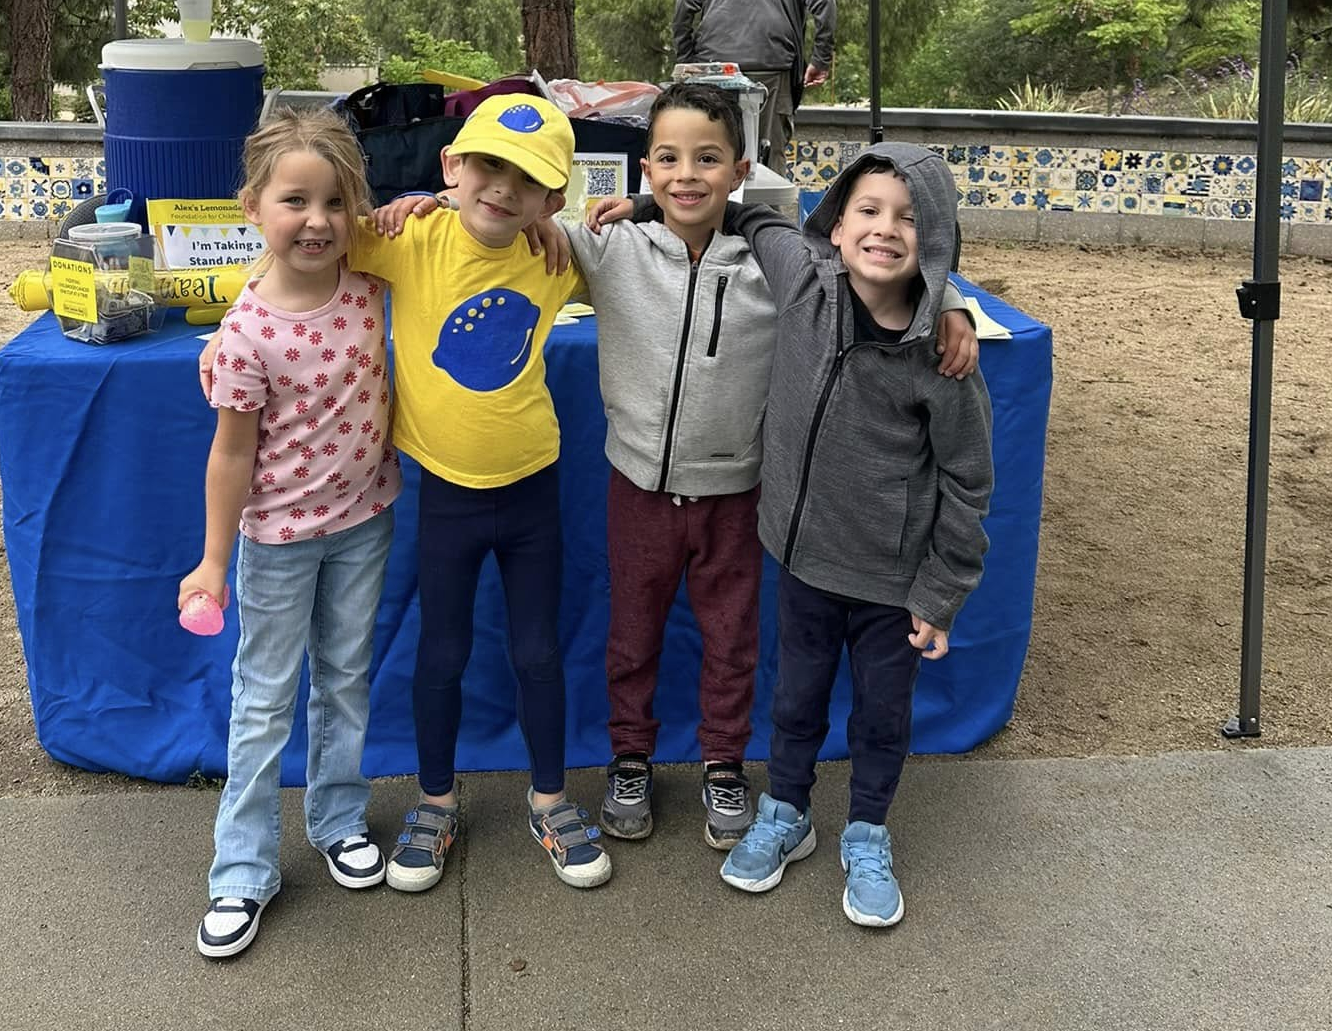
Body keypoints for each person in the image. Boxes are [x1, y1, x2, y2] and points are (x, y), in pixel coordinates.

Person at [396, 85, 977, 858]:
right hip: (637, 486)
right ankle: (629, 757)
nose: (686, 174)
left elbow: (872, 270)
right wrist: (428, 202)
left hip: (736, 493)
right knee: (631, 636)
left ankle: (724, 763)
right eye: (668, 158)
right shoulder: (608, 248)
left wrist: (949, 301)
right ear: (646, 168)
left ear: (739, 170)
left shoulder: (779, 265)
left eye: (707, 159)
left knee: (731, 640)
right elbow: (507, 219)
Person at [710, 143, 993, 929]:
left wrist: (941, 592)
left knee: (880, 716)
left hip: (892, 586)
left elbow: (969, 480)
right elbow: (747, 217)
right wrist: (637, 204)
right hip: (803, 563)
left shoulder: (943, 359)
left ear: (935, 241)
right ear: (835, 225)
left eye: (909, 218)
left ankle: (867, 833)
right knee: (795, 699)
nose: (885, 229)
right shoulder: (803, 279)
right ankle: (787, 812)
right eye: (868, 210)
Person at [352, 93, 612, 893]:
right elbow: (309, 236)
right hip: (446, 495)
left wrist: (607, 216)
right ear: (452, 166)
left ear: (552, 200)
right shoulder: (411, 238)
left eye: (527, 179)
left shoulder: (555, 255)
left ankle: (550, 798)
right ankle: (435, 801)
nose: (503, 187)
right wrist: (242, 316)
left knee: (537, 650)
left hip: (532, 486)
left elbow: (662, 253)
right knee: (442, 650)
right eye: (489, 166)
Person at [179, 109, 402, 961]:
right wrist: (213, 560)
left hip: (365, 523)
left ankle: (338, 819)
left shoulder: (370, 282)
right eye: (295, 201)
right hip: (276, 540)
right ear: (252, 208)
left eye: (336, 202)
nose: (317, 220)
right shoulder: (245, 337)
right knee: (265, 698)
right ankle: (242, 866)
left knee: (345, 679)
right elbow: (230, 456)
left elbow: (441, 225)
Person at [672, 0, 837, 166]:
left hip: (714, 71)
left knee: (710, 153)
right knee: (768, 158)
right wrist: (820, 60)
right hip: (772, 69)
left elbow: (685, 1)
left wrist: (687, 58)